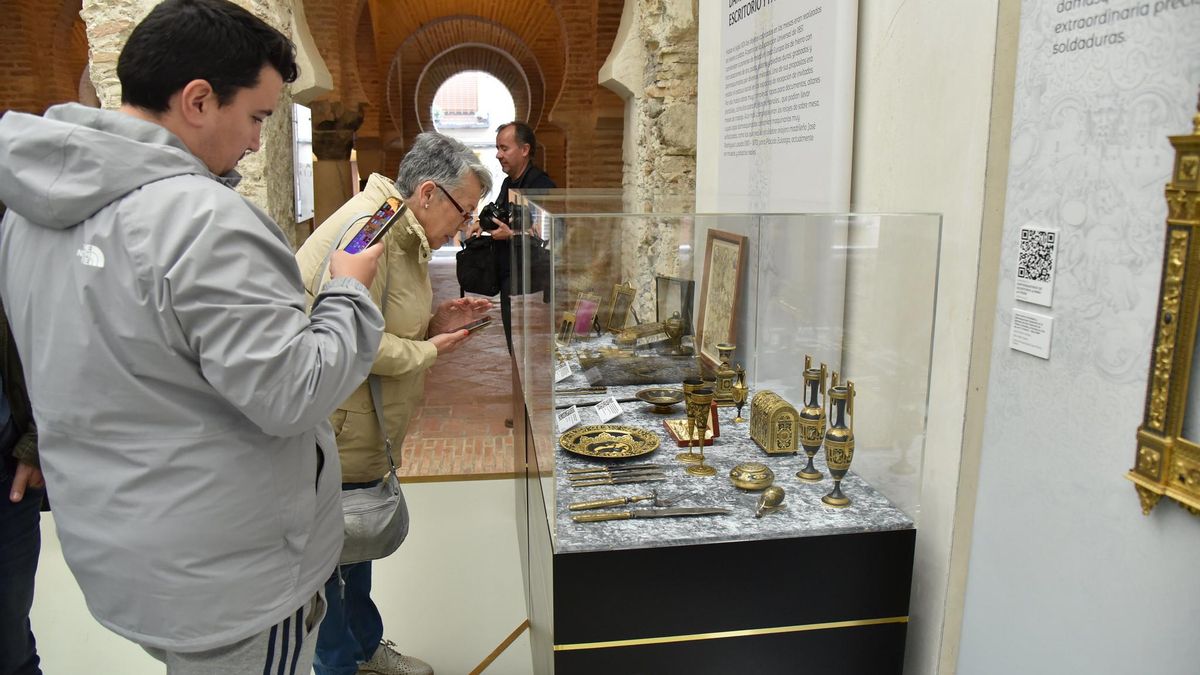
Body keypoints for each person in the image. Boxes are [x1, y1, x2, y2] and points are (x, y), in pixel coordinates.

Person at [0, 1, 386, 673]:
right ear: (199, 99)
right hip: (232, 579)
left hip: (129, 555)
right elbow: (293, 394)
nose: (253, 142)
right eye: (258, 118)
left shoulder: (26, 212)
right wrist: (348, 287)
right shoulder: (203, 220)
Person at [295, 132, 493, 675]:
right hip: (335, 430)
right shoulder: (370, 231)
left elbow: (375, 319)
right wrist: (428, 349)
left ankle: (364, 650)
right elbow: (339, 335)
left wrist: (434, 323)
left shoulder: (399, 229)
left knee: (353, 550)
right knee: (329, 569)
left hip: (359, 430)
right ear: (429, 193)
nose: (465, 225)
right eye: (465, 209)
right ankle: (338, 664)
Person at [469, 122, 557, 353]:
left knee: (532, 349)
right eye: (498, 148)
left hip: (532, 282)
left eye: (504, 148)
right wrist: (482, 223)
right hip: (511, 277)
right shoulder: (509, 183)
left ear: (525, 150)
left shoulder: (541, 185)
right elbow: (503, 216)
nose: (498, 155)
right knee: (515, 349)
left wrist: (511, 235)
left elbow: (549, 232)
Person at [1, 289, 44, 675]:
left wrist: (35, 442)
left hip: (7, 480)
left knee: (9, 649)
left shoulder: (13, 229)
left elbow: (58, 335)